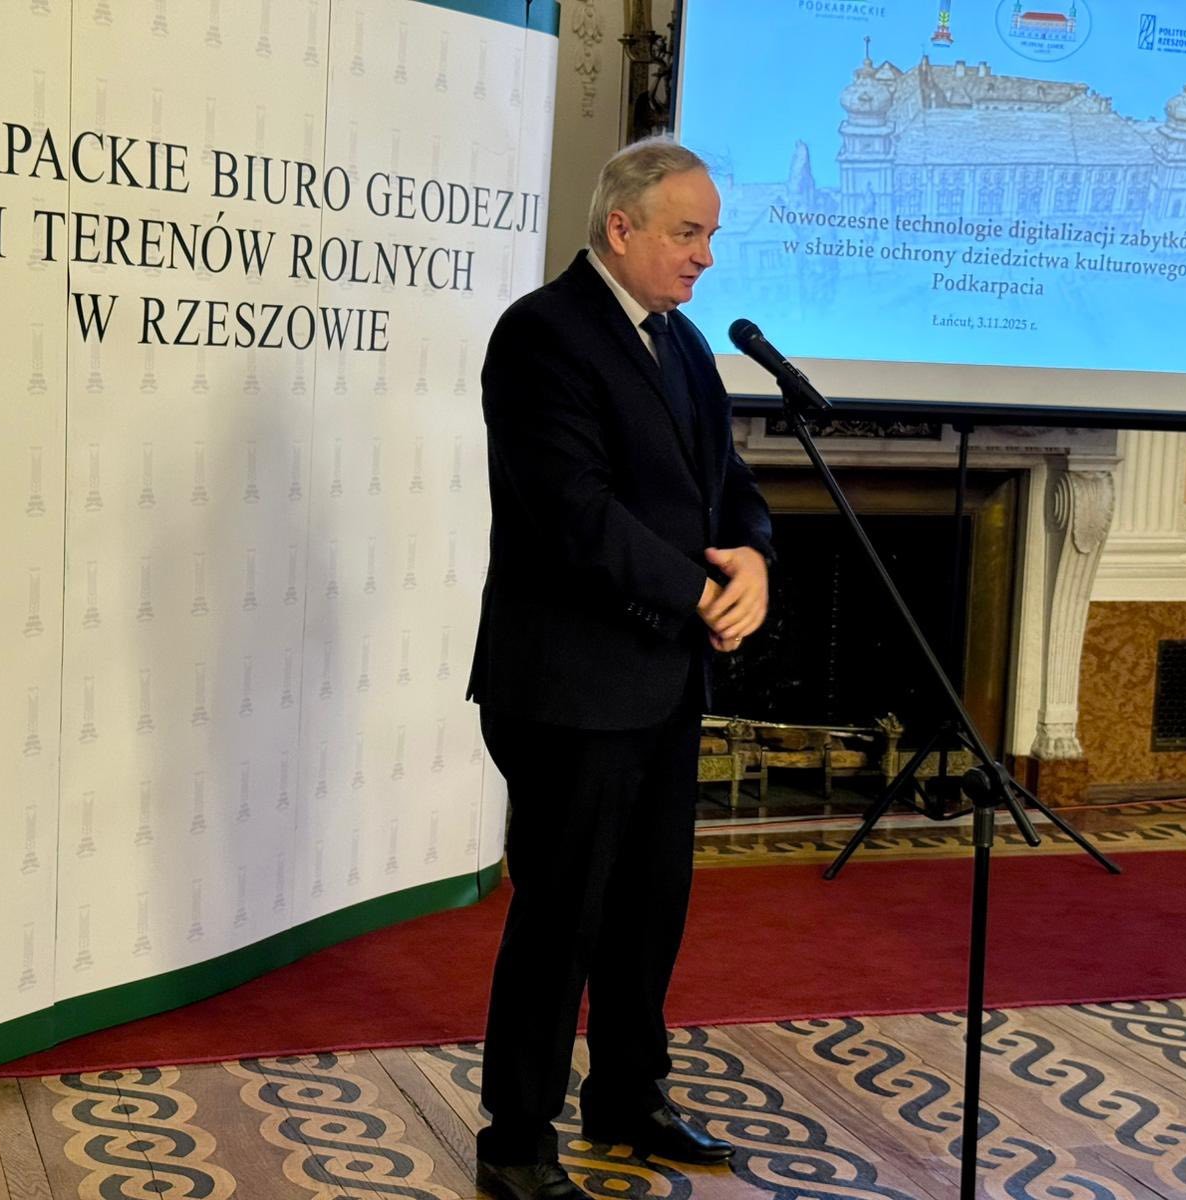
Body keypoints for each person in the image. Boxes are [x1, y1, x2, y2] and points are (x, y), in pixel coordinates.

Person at [466, 138, 774, 1200]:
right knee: (562, 917)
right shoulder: (541, 334)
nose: (704, 256)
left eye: (710, 236)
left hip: (664, 679)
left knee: (650, 907)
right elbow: (572, 512)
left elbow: (727, 485)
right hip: (568, 686)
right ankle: (516, 1140)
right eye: (688, 233)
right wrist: (699, 595)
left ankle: (628, 1097)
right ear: (620, 227)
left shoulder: (683, 344)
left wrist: (753, 560)